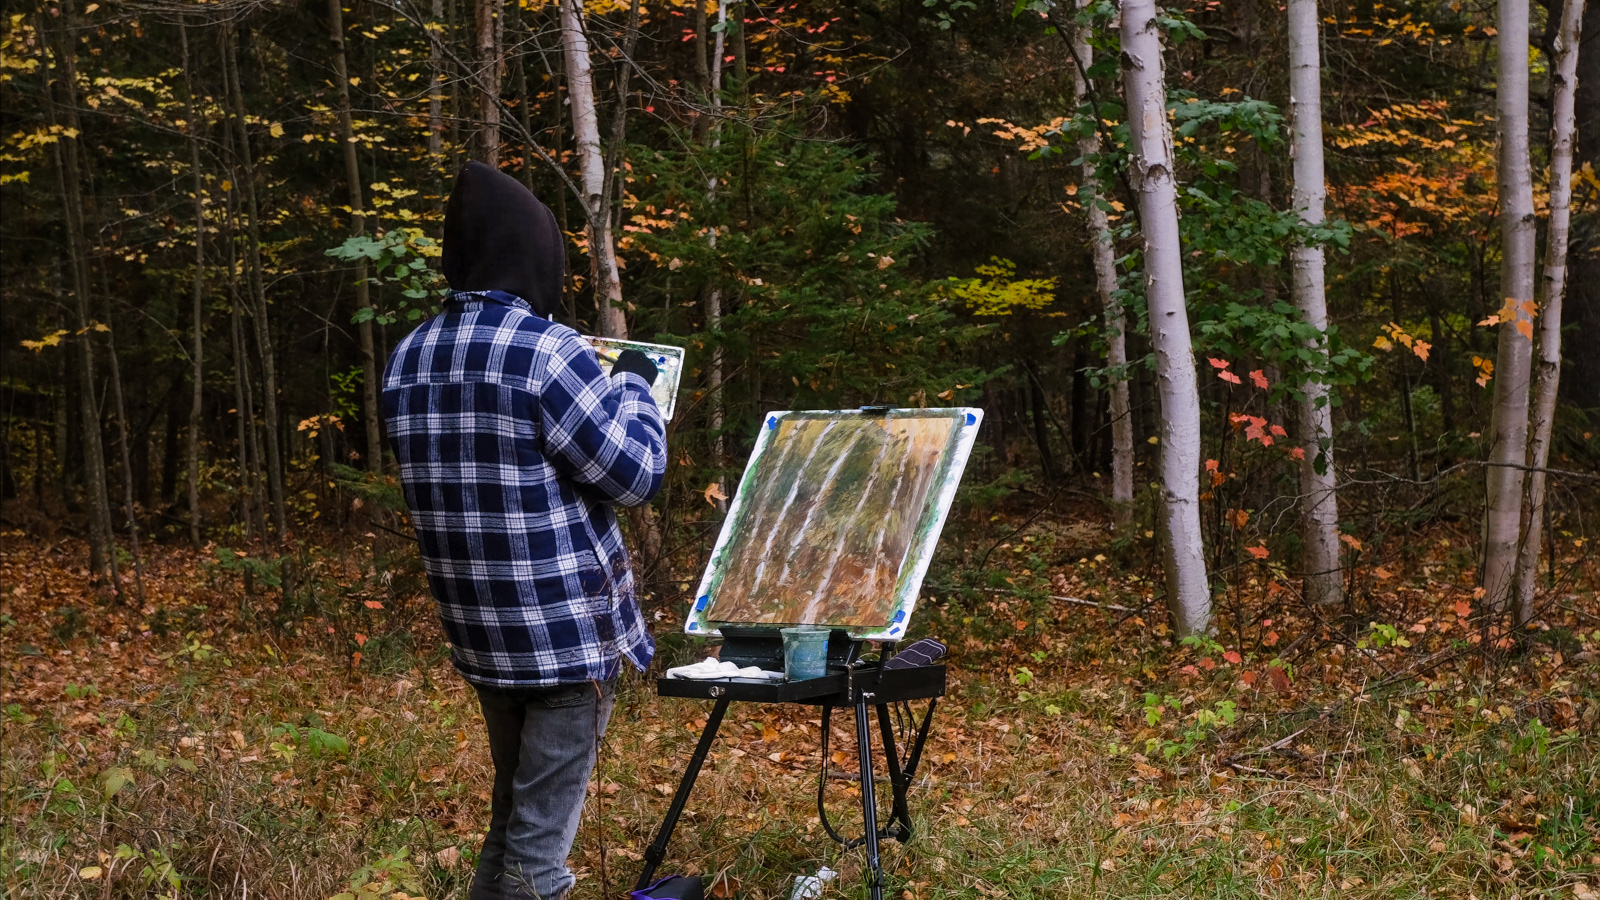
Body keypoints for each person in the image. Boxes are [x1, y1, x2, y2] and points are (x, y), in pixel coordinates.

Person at [382, 161, 667, 900]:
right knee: (538, 859)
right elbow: (633, 475)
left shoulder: (408, 356)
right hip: (566, 641)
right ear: (532, 252)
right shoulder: (549, 350)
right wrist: (636, 386)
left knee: (511, 828)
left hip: (482, 637)